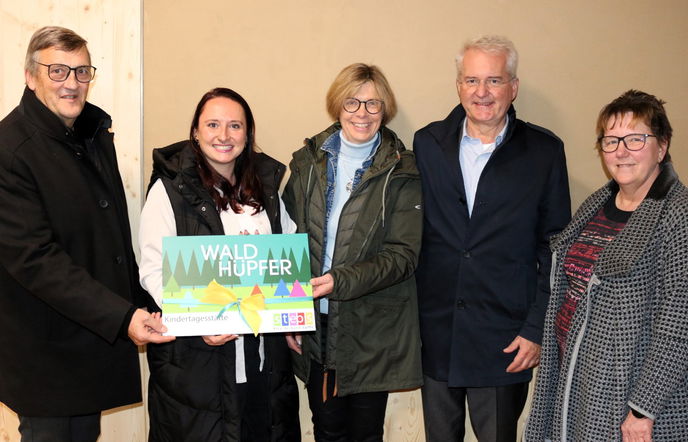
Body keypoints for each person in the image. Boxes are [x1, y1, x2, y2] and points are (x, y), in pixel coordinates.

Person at [0, 26, 172, 441]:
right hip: (46, 350)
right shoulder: (10, 150)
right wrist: (122, 315)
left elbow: (111, 238)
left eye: (82, 71)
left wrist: (147, 302)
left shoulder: (93, 134)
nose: (72, 83)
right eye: (57, 71)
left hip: (90, 336)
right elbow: (36, 260)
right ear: (30, 76)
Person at [413, 35, 571, 441]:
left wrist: (536, 328)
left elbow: (555, 249)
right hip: (437, 332)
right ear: (459, 86)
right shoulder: (427, 144)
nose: (481, 92)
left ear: (513, 87)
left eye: (494, 81)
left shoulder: (544, 151)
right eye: (471, 81)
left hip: (504, 339)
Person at [139, 87, 301, 441]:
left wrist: (291, 312)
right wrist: (198, 319)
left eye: (235, 126)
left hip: (262, 363)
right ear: (196, 132)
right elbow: (153, 269)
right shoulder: (167, 191)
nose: (224, 136)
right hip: (199, 367)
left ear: (248, 133)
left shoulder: (267, 190)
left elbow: (285, 257)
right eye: (212, 124)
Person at [525, 90, 688, 441]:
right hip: (577, 380)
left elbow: (679, 324)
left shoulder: (678, 214)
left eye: (635, 138)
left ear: (662, 146)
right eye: (611, 141)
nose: (622, 151)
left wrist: (643, 408)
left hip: (630, 397)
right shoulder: (596, 205)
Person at [283, 63, 423, 441]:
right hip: (317, 326)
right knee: (326, 429)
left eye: (373, 104)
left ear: (385, 109)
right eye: (352, 102)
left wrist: (337, 281)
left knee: (365, 433)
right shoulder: (306, 162)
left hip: (370, 329)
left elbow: (403, 256)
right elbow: (287, 241)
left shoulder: (403, 171)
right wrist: (289, 317)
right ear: (337, 106)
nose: (362, 113)